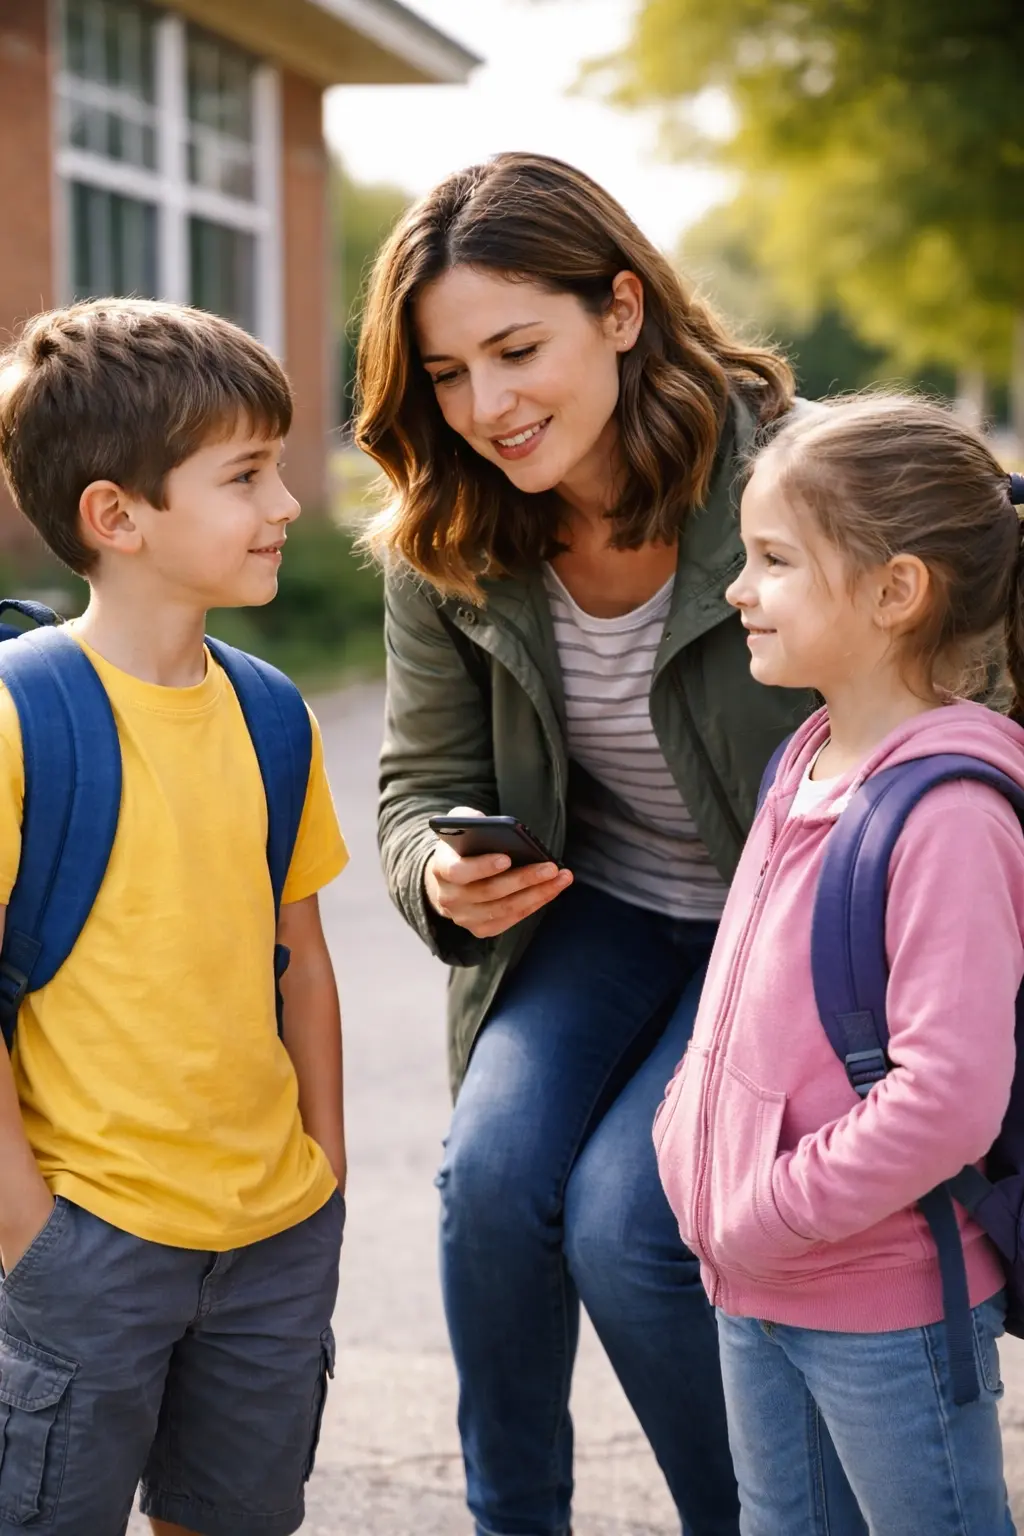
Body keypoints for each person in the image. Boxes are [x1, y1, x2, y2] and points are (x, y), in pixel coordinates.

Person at [355, 151, 818, 1536]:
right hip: (597, 916)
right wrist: (438, 869)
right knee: (492, 1180)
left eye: (516, 350)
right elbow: (414, 784)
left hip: (778, 924)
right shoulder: (445, 539)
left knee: (631, 1222)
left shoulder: (803, 484)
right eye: (447, 375)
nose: (487, 408)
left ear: (620, 310)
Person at [0, 298, 347, 1536]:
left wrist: (327, 1172)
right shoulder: (17, 720)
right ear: (118, 517)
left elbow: (297, 956)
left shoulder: (270, 714)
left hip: (273, 1237)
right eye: (245, 474)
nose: (286, 502)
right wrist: (29, 1232)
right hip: (87, 1243)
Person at [656, 394, 1024, 1535]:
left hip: (880, 1305)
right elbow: (741, 998)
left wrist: (767, 1207)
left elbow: (947, 1102)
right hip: (756, 1278)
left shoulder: (951, 809)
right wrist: (687, 1141)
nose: (735, 589)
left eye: (772, 560)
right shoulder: (808, 753)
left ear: (892, 591)